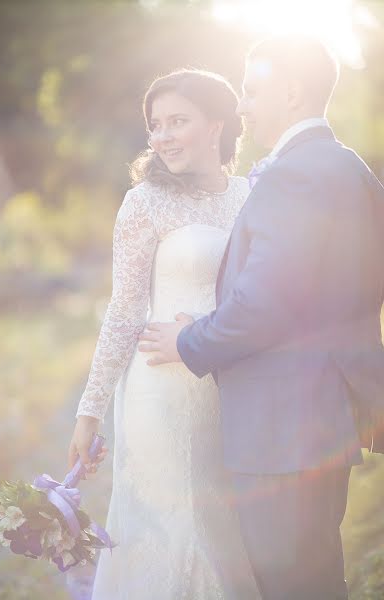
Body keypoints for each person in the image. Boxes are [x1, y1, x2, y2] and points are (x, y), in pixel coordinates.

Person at [139, 36, 384, 600]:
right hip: (323, 415)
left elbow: (263, 305)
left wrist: (187, 339)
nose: (242, 106)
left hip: (281, 426)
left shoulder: (292, 175)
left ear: (292, 93)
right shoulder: (352, 169)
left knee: (290, 585)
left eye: (252, 90)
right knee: (316, 579)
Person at [68, 69, 260, 599]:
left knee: (224, 524)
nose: (163, 136)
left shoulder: (252, 195)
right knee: (172, 525)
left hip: (231, 388)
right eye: (156, 125)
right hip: (161, 393)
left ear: (217, 125)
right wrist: (90, 411)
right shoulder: (144, 202)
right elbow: (124, 311)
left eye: (179, 121)